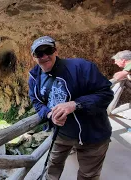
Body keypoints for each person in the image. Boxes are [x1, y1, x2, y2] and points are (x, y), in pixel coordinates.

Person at [28, 36, 114, 180]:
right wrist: (49, 115)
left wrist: (75, 104)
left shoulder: (81, 67)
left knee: (88, 175)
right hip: (61, 134)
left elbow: (106, 94)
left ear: (56, 51)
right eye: (39, 53)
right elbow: (36, 102)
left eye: (48, 50)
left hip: (93, 134)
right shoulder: (34, 77)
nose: (45, 56)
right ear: (33, 57)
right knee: (52, 166)